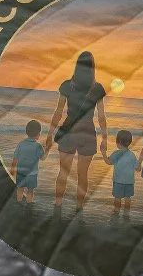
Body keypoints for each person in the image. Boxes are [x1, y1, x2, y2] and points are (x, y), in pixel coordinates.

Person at [46, 51, 107, 207]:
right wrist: (105, 138)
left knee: (63, 172)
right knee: (82, 175)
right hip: (87, 133)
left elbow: (58, 111)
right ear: (93, 68)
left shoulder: (67, 85)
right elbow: (101, 116)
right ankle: (78, 208)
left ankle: (58, 204)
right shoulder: (97, 88)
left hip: (69, 131)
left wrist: (50, 134)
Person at [11, 120, 45, 205]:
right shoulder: (38, 146)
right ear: (38, 134)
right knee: (30, 190)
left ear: (27, 132)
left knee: (20, 188)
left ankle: (19, 201)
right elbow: (43, 158)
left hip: (20, 173)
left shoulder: (21, 144)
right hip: (32, 174)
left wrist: (12, 171)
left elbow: (15, 159)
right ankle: (29, 203)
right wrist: (46, 149)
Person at [105, 129, 138, 214]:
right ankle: (126, 212)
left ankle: (116, 211)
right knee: (128, 198)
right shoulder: (132, 155)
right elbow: (137, 168)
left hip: (118, 181)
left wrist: (103, 154)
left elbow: (108, 162)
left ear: (118, 141)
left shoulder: (116, 153)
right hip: (129, 182)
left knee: (117, 197)